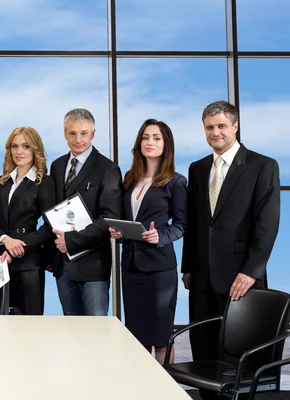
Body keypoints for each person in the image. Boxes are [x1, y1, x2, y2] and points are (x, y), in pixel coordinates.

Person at [182, 101, 280, 374]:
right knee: (203, 348)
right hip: (201, 277)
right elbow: (195, 223)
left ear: (235, 126)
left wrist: (251, 271)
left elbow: (267, 223)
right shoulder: (197, 168)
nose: (216, 132)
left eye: (222, 126)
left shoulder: (263, 166)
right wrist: (187, 266)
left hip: (240, 276)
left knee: (240, 358)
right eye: (209, 127)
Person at [109, 119, 187, 364]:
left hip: (159, 270)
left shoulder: (176, 181)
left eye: (156, 138)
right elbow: (127, 220)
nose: (149, 142)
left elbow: (182, 224)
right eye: (145, 137)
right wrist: (120, 233)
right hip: (131, 268)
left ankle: (166, 389)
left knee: (161, 336)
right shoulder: (130, 180)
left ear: (166, 145)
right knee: (137, 335)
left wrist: (160, 236)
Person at [49, 108, 123, 316]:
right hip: (63, 265)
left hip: (93, 266)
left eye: (83, 133)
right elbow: (54, 210)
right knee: (71, 330)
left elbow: (109, 218)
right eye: (72, 133)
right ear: (65, 134)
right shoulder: (57, 166)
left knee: (96, 331)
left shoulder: (107, 169)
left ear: (93, 134)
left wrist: (71, 241)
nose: (78, 139)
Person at [0, 127, 56, 315]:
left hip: (29, 265)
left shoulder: (44, 182)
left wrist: (19, 246)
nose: (19, 152)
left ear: (35, 149)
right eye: (15, 146)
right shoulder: (2, 183)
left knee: (29, 328)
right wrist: (5, 240)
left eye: (25, 146)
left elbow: (50, 226)